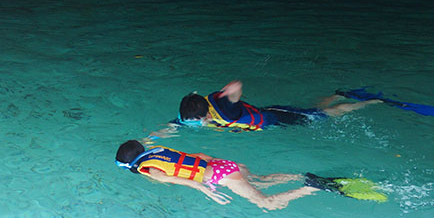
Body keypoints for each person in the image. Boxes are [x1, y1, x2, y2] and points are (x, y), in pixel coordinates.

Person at [115, 139, 318, 211]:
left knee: (266, 203)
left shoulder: (151, 170)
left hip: (222, 175)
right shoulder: (158, 152)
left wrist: (207, 191)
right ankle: (301, 176)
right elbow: (200, 156)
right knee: (261, 181)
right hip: (221, 164)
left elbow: (178, 180)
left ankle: (312, 187)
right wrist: (227, 167)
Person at [154, 79, 380, 135]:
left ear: (204, 115)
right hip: (265, 113)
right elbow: (175, 124)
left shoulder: (225, 108)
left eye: (198, 122)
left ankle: (368, 102)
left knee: (324, 116)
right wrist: (151, 138)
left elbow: (237, 85)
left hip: (276, 117)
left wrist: (226, 93)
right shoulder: (193, 109)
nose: (197, 124)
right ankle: (336, 94)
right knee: (311, 110)